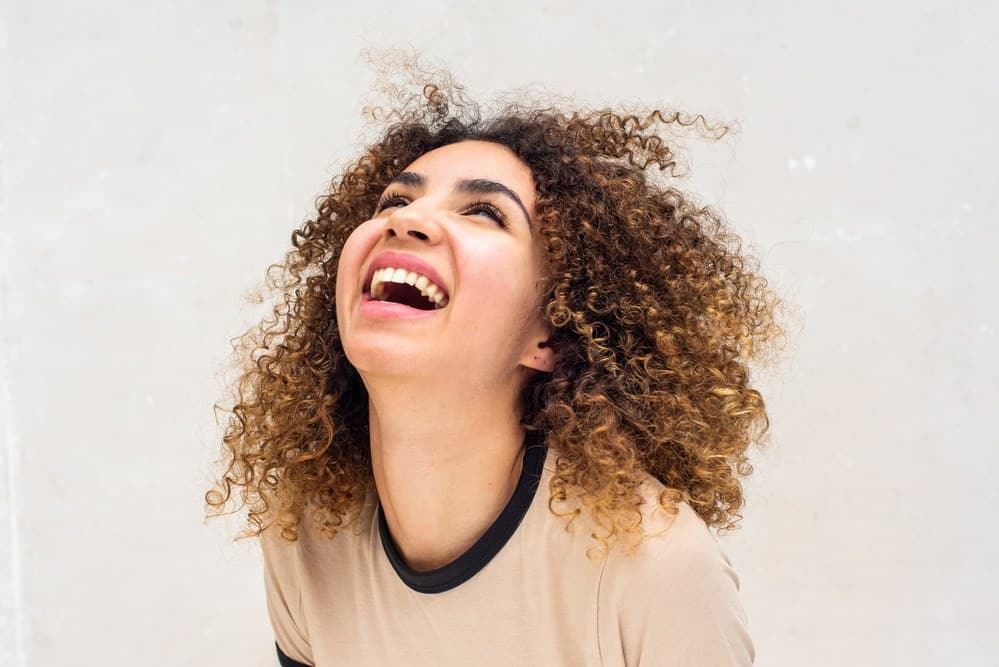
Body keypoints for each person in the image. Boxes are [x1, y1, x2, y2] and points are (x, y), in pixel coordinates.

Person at [205, 54, 786, 666]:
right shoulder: (307, 534)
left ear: (551, 335)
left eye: (484, 212)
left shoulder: (652, 565)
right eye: (393, 200)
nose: (407, 220)